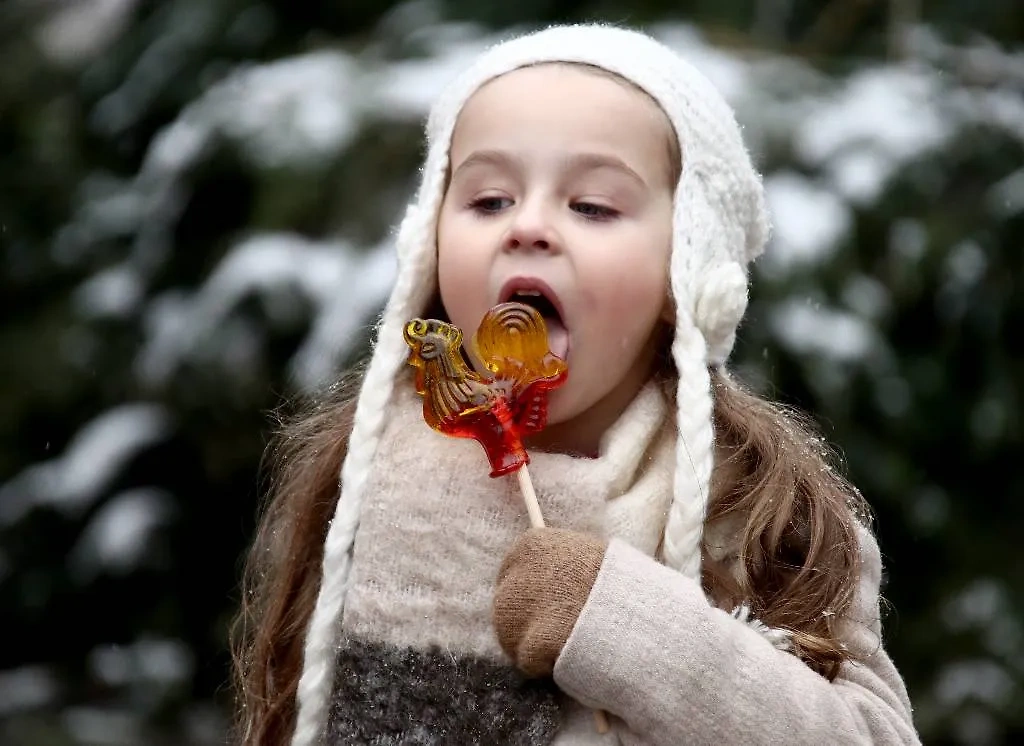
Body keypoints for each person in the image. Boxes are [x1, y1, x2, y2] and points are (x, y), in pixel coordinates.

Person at [231, 23, 920, 745]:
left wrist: (629, 627)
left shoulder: (756, 508)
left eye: (591, 206)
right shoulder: (363, 492)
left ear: (682, 275)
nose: (528, 226)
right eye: (489, 200)